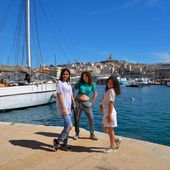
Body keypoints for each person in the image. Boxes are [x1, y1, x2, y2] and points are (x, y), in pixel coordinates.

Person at [53, 68, 75, 151]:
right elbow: (59, 95)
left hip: (69, 107)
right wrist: (63, 108)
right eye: (64, 74)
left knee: (67, 126)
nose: (65, 75)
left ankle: (64, 144)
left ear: (69, 75)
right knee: (70, 125)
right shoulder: (59, 83)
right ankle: (58, 141)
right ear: (61, 74)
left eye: (67, 74)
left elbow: (71, 94)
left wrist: (73, 102)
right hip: (63, 107)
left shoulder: (68, 83)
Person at [73, 71, 98, 140]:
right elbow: (73, 89)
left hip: (87, 103)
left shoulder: (92, 84)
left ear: (89, 76)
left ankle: (92, 134)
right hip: (78, 102)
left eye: (86, 76)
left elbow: (95, 94)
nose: (85, 77)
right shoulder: (80, 83)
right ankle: (77, 134)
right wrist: (72, 100)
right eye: (84, 76)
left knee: (91, 118)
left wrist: (91, 103)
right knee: (77, 119)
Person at [100, 76, 121, 153]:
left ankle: (112, 148)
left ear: (114, 85)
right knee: (104, 127)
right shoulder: (107, 90)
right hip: (106, 112)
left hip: (110, 113)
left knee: (110, 129)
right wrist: (101, 106)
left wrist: (109, 115)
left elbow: (111, 103)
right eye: (108, 83)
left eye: (112, 84)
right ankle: (115, 140)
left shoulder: (111, 91)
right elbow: (104, 100)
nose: (109, 84)